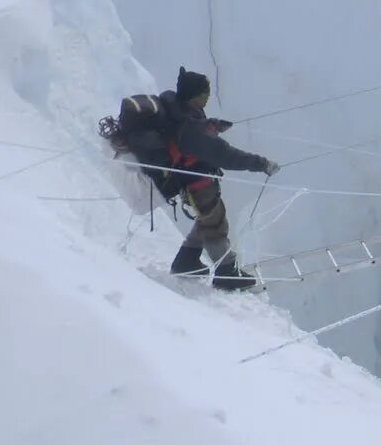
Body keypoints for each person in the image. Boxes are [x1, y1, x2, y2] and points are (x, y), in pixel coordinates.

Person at [104, 67, 278, 290]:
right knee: (215, 222)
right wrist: (262, 164)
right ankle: (226, 272)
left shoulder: (177, 111)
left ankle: (186, 262)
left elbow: (191, 132)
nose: (208, 96)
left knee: (209, 217)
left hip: (190, 177)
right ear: (194, 96)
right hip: (197, 181)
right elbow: (227, 156)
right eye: (205, 93)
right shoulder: (192, 131)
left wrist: (211, 125)